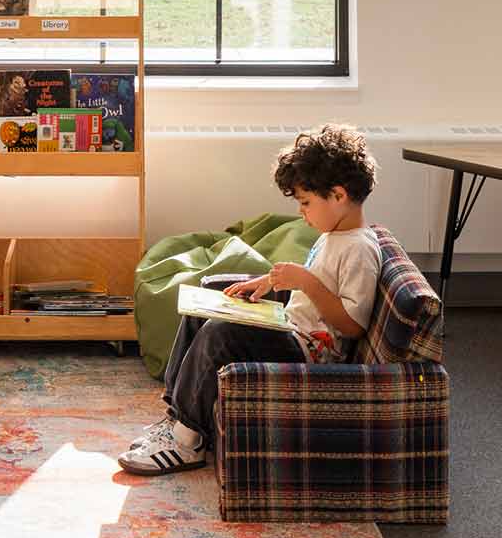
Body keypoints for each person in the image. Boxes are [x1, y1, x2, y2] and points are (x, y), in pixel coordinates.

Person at [121, 124, 382, 476]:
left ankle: (187, 441)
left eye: (306, 202)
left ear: (337, 195)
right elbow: (312, 287)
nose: (302, 213)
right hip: (291, 327)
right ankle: (176, 416)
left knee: (220, 333)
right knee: (210, 297)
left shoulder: (359, 248)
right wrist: (269, 281)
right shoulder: (332, 234)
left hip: (309, 352)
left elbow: (351, 325)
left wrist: (304, 281)